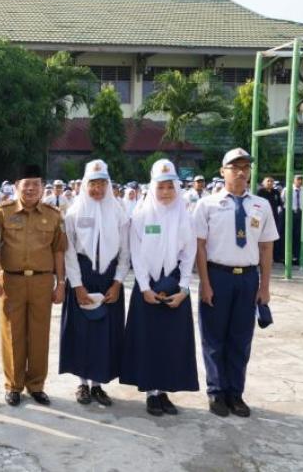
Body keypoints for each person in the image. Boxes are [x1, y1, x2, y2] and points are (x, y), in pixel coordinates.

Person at [194, 148, 278, 418]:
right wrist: (204, 283)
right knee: (214, 338)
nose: (241, 172)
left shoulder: (261, 205)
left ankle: (235, 393)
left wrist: (264, 287)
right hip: (218, 275)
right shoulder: (207, 204)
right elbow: (200, 246)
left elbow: (266, 248)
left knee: (241, 339)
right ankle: (217, 391)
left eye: (245, 167)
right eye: (235, 167)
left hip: (248, 278)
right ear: (222, 171)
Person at [120, 159, 199, 416]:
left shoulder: (184, 216)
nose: (165, 193)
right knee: (148, 341)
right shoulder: (141, 216)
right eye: (161, 187)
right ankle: (151, 393)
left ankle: (164, 390)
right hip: (148, 287)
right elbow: (136, 254)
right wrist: (144, 287)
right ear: (152, 188)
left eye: (170, 187)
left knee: (170, 342)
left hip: (174, 285)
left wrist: (184, 288)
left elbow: (189, 254)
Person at [0, 164, 67, 407]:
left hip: (43, 281)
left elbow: (59, 251)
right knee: (12, 333)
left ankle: (36, 385)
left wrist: (60, 283)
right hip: (11, 280)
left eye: (36, 184)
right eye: (26, 184)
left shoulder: (53, 215)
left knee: (39, 334)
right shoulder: (2, 212)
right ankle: (14, 385)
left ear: (42, 187)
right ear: (16, 187)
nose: (31, 188)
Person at [59, 159, 129, 407]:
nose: (97, 189)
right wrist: (77, 285)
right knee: (82, 333)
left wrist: (118, 282)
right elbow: (69, 253)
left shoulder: (119, 212)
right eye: (92, 184)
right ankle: (82, 383)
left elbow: (125, 252)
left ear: (108, 185)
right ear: (85, 184)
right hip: (83, 275)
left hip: (109, 279)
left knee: (104, 334)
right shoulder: (74, 212)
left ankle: (99, 384)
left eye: (102, 183)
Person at [256, 177, 284, 262]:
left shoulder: (276, 192)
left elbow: (280, 204)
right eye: (268, 181)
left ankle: (276, 257)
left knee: (273, 237)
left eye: (272, 181)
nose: (270, 183)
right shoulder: (260, 192)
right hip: (261, 217)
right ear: (263, 183)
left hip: (274, 218)